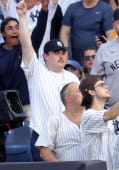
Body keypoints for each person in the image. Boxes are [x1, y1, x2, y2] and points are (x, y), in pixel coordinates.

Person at [17, 0, 79, 145]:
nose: (61, 55)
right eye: (56, 53)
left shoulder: (72, 77)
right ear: (45, 56)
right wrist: (22, 17)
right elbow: (26, 44)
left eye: (63, 52)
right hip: (41, 136)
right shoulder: (36, 71)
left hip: (69, 135)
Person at [35, 82, 84, 161]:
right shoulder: (54, 120)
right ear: (67, 98)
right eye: (79, 91)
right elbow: (44, 151)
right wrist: (62, 169)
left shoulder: (95, 117)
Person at [0, 17, 29, 108]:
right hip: (6, 107)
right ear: (3, 33)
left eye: (17, 27)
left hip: (26, 104)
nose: (15, 31)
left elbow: (39, 31)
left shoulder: (26, 48)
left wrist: (45, 10)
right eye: (10, 28)